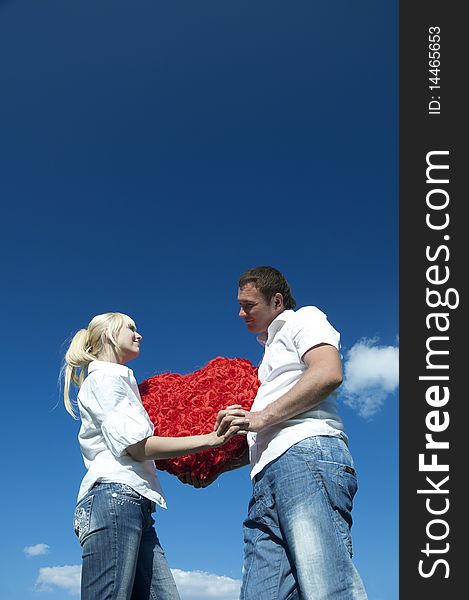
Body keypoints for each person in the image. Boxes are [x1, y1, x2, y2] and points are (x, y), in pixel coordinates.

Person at [62, 312, 246, 600]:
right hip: (114, 499)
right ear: (110, 334)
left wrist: (198, 466)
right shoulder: (105, 381)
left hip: (135, 505)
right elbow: (138, 447)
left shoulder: (122, 383)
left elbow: (139, 449)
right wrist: (213, 439)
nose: (139, 335)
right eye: (131, 328)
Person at [214, 266, 368, 599]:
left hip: (307, 457)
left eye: (249, 304)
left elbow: (328, 372)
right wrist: (217, 468)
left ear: (277, 300)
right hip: (264, 477)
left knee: (326, 587)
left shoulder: (304, 319)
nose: (241, 313)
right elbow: (264, 430)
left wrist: (259, 416)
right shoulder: (266, 359)